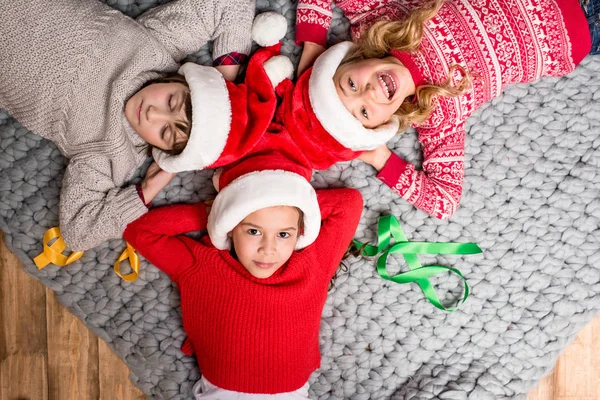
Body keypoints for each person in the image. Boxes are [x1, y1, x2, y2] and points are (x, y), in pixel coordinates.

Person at [293, 0, 595, 219]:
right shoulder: (436, 114)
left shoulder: (379, 17)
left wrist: (313, 48)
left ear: (350, 59)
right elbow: (444, 200)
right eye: (364, 113)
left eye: (351, 85)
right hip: (580, 34)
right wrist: (378, 156)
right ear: (382, 126)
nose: (369, 94)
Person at [0, 0, 255, 251]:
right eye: (170, 100)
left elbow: (79, 233)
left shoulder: (113, 153)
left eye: (164, 132)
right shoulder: (158, 47)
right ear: (180, 80)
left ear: (163, 151)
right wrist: (221, 84)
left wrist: (147, 189)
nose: (153, 114)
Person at [123, 151, 364, 397]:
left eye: (283, 234)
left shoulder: (314, 262)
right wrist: (215, 212)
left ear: (299, 231)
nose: (267, 249)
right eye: (253, 231)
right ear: (230, 226)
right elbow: (136, 230)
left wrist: (285, 200)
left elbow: (350, 204)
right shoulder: (201, 264)